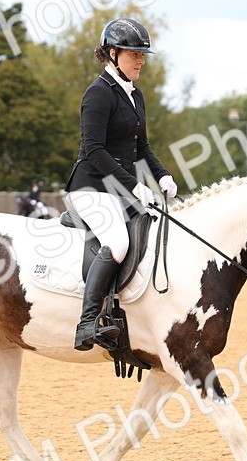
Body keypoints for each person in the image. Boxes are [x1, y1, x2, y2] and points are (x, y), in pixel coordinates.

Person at [65, 18, 178, 351]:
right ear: (112, 54)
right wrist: (134, 185)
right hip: (91, 188)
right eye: (134, 54)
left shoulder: (135, 95)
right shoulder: (98, 94)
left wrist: (162, 175)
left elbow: (141, 146)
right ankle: (87, 323)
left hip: (120, 188)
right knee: (117, 243)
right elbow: (94, 151)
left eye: (143, 54)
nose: (141, 60)